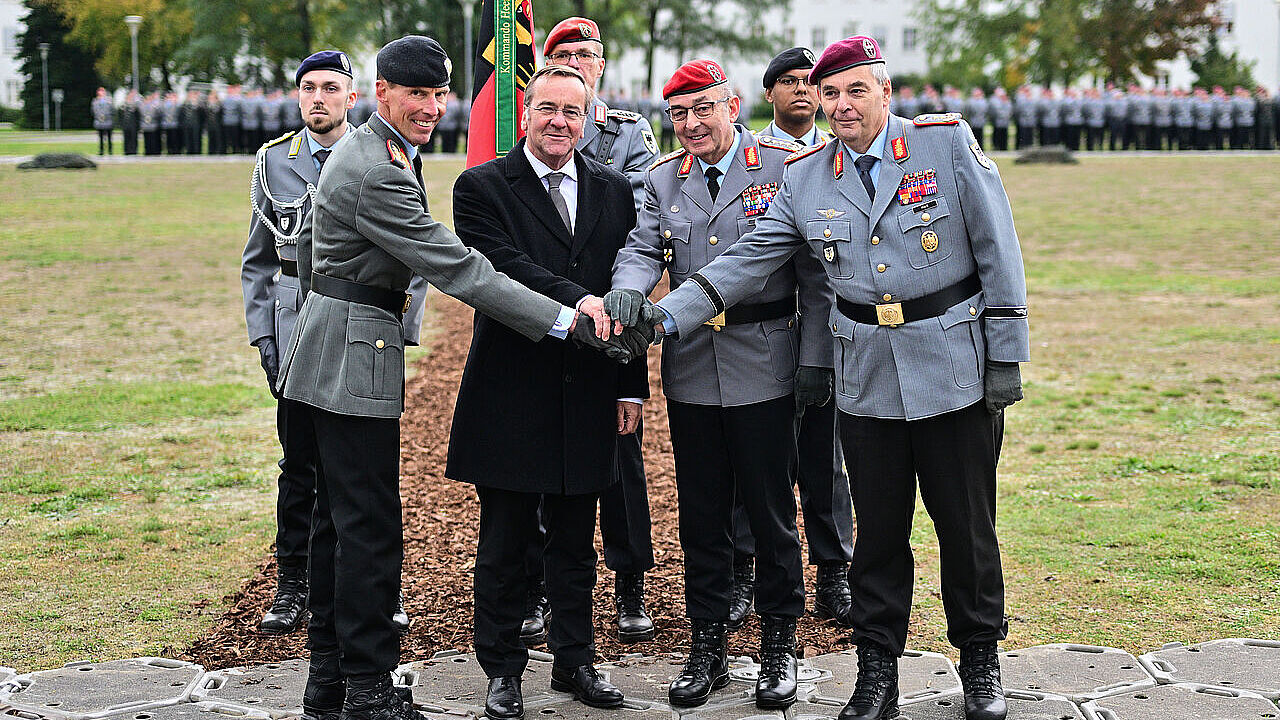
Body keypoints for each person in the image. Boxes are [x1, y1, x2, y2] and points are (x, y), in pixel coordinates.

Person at [621, 36, 1028, 720]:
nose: (840, 105)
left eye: (855, 91)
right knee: (876, 536)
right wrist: (664, 319)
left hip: (953, 370)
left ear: (885, 92)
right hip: (865, 375)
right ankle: (877, 675)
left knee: (966, 530)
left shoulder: (943, 144)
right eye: (832, 94)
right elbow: (745, 262)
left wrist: (1005, 355)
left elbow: (998, 247)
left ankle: (980, 661)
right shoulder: (806, 175)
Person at [276, 35, 646, 720]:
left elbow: (304, 251)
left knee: (338, 524)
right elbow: (462, 270)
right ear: (381, 92)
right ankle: (365, 690)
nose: (430, 106)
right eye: (415, 93)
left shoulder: (376, 151)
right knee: (367, 530)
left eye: (438, 94)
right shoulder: (379, 167)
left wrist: (321, 318)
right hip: (352, 355)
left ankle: (330, 682)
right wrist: (569, 322)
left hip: (331, 345)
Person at [607, 58, 831, 711]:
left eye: (703, 108)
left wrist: (815, 355)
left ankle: (778, 645)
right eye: (678, 113)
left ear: (732, 105)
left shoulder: (782, 169)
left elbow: (813, 275)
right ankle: (708, 646)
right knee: (702, 515)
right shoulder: (663, 178)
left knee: (769, 513)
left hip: (766, 360)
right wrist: (626, 292)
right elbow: (643, 249)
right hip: (694, 367)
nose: (691, 124)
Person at [447, 63, 647, 720]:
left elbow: (629, 290)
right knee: (505, 542)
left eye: (572, 110)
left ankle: (575, 660)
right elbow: (504, 269)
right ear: (525, 114)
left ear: (589, 118)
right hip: (511, 386)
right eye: (547, 109)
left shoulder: (616, 191)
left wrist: (631, 387)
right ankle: (501, 668)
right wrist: (582, 302)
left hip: (589, 390)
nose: (559, 121)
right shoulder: (481, 187)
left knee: (574, 540)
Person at [243, 49, 423, 651]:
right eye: (307, 88)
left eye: (329, 88)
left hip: (363, 324)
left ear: (355, 96)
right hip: (299, 322)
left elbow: (414, 259)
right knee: (300, 468)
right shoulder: (275, 162)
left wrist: (398, 331)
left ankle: (367, 606)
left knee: (358, 493)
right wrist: (265, 336)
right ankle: (293, 581)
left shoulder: (386, 155)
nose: (316, 99)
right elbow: (259, 261)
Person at [528, 15, 661, 645]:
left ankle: (631, 580)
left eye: (590, 54)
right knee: (542, 455)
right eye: (567, 53)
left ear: (601, 67)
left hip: (614, 303)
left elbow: (638, 205)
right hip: (547, 305)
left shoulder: (627, 131)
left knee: (621, 452)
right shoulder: (533, 121)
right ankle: (548, 587)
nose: (581, 61)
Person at [749, 45, 854, 630]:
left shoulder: (844, 155)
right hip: (761, 332)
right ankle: (748, 571)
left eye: (809, 82)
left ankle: (835, 569)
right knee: (756, 462)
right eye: (787, 81)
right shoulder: (748, 156)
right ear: (769, 94)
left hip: (824, 327)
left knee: (824, 458)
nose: (801, 91)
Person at [92, 87, 114, 155]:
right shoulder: (95, 101)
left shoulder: (109, 100)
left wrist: (106, 116)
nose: (101, 93)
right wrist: (99, 116)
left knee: (109, 137)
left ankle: (110, 150)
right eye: (99, 91)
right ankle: (101, 150)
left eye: (102, 91)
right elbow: (93, 111)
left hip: (108, 121)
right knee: (100, 137)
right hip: (99, 122)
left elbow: (112, 110)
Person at [223, 85, 243, 154]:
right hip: (227, 121)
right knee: (227, 137)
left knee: (235, 137)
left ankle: (235, 150)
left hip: (235, 121)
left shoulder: (239, 99)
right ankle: (227, 150)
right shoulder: (225, 99)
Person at [141, 91, 162, 155]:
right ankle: (147, 151)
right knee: (146, 140)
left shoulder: (155, 106)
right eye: (146, 99)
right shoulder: (142, 106)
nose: (148, 100)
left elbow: (158, 114)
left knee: (153, 140)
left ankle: (153, 151)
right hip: (145, 126)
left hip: (153, 125)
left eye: (149, 99)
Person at [120, 89, 141, 156]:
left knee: (133, 139)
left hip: (133, 125)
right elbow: (120, 115)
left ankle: (134, 151)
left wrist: (138, 126)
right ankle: (126, 151)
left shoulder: (136, 105)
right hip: (126, 125)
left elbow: (138, 116)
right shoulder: (124, 105)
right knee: (126, 139)